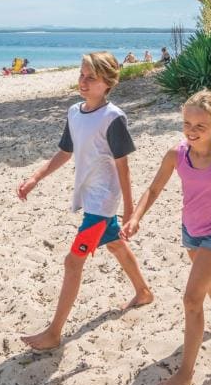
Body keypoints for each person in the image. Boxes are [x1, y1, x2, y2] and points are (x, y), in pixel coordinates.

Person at [121, 90, 211, 385]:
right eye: (187, 124)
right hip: (191, 231)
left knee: (192, 299)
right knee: (209, 282)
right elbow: (154, 189)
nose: (192, 131)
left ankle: (185, 374)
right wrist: (136, 217)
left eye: (200, 126)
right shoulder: (176, 155)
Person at [16, 51, 153, 350]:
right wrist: (36, 178)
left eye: (91, 77)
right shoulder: (74, 112)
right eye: (82, 75)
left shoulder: (113, 118)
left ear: (108, 83)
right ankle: (143, 292)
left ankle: (54, 333)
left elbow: (123, 166)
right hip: (89, 197)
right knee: (115, 243)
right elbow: (65, 151)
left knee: (72, 261)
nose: (84, 81)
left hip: (102, 203)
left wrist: (131, 212)